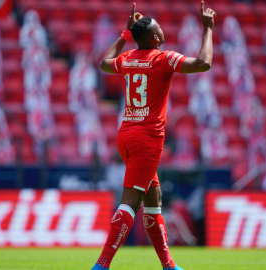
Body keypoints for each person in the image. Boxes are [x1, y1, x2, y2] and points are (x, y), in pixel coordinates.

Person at [92, 2, 216, 270]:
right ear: (156, 38)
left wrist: (125, 34)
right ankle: (101, 265)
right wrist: (207, 30)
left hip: (126, 135)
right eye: (158, 27)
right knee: (130, 203)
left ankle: (169, 266)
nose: (161, 28)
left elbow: (104, 63)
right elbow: (204, 63)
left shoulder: (127, 59)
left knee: (153, 200)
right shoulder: (163, 58)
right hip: (147, 140)